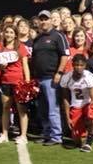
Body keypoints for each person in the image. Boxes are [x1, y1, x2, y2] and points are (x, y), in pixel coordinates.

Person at [30, 10, 70, 146]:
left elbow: (65, 55)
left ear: (51, 20)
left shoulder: (58, 36)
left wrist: (59, 73)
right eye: (41, 19)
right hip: (39, 78)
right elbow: (33, 58)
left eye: (45, 19)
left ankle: (56, 136)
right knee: (42, 109)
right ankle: (47, 134)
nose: (43, 21)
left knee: (53, 108)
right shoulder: (37, 38)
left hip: (52, 77)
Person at [0, 25, 30, 144]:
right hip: (5, 82)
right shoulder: (1, 49)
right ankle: (4, 134)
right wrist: (1, 66)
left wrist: (27, 82)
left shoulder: (21, 47)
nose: (8, 34)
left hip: (19, 82)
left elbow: (25, 65)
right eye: (7, 32)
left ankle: (23, 136)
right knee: (5, 108)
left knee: (21, 109)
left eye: (11, 32)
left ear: (15, 34)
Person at [59, 54, 93, 152]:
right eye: (76, 65)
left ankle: (90, 139)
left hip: (87, 105)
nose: (79, 67)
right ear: (73, 65)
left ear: (85, 65)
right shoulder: (66, 77)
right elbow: (65, 98)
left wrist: (90, 114)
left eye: (81, 65)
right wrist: (67, 116)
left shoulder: (89, 77)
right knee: (77, 141)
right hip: (75, 106)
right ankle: (84, 135)